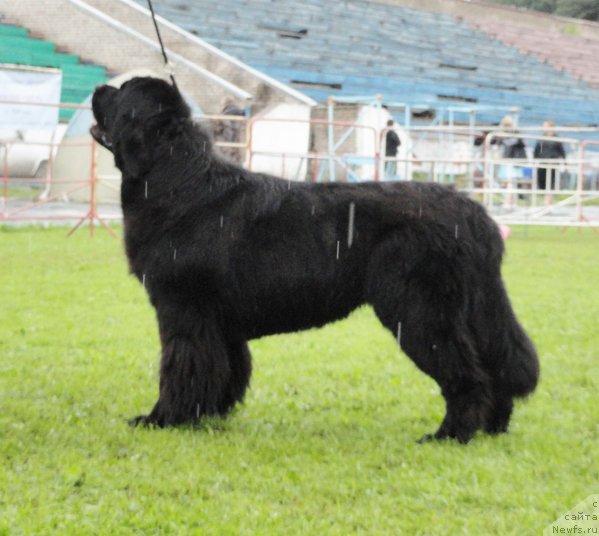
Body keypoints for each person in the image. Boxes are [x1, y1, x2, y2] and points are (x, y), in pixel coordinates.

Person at [533, 120, 566, 207]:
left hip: (552, 163)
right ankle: (546, 202)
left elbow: (561, 151)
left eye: (545, 126)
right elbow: (537, 150)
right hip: (542, 163)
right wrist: (535, 160)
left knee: (551, 183)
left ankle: (547, 203)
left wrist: (564, 162)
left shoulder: (556, 139)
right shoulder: (541, 138)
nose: (543, 128)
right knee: (542, 183)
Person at [213, 97, 245, 163]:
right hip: (239, 145)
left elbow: (218, 130)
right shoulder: (242, 115)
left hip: (227, 146)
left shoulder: (223, 116)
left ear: (225, 104)